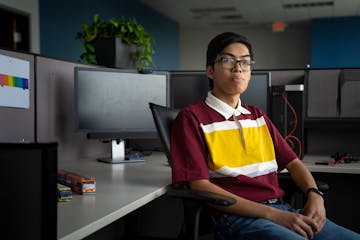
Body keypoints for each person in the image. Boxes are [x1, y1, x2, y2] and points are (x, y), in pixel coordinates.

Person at [170, 32, 360, 240]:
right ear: (209, 70)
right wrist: (275, 216)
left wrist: (315, 195)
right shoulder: (191, 118)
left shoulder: (258, 116)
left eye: (245, 62)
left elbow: (294, 163)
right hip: (235, 218)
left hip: (281, 211)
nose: (238, 67)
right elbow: (200, 186)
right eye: (227, 60)